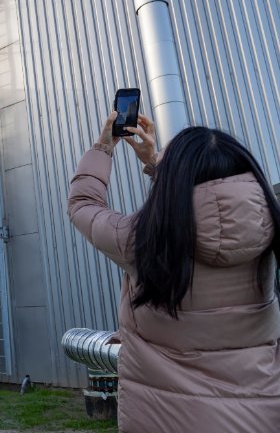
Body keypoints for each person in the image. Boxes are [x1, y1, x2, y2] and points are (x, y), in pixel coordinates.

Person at [68, 111, 280, 432]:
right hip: (260, 417)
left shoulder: (141, 241)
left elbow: (83, 204)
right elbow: (210, 206)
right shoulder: (270, 235)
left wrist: (104, 146)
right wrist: (155, 163)